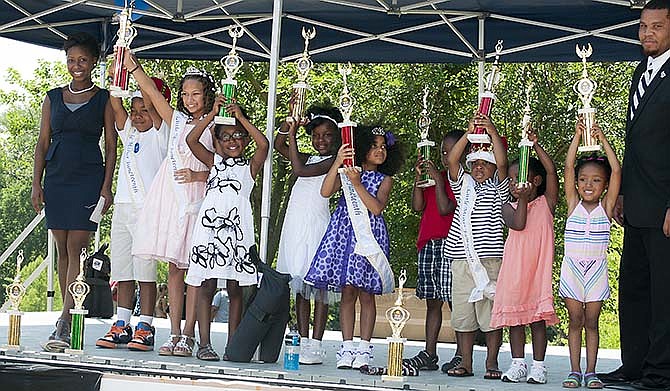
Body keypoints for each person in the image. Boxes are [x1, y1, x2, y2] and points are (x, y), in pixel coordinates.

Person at [123, 51, 214, 358]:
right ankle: (173, 331)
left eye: (196, 94)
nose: (190, 99)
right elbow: (149, 91)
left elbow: (228, 164)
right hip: (172, 198)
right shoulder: (176, 121)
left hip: (199, 198)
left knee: (195, 269)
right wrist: (133, 65)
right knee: (174, 268)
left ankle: (190, 335)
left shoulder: (216, 124)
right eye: (185, 94)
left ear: (207, 95)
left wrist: (197, 173)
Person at [31, 32, 116, 352]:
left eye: (82, 60)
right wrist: (36, 182)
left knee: (78, 248)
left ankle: (65, 320)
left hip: (88, 177)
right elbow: (42, 143)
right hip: (56, 177)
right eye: (71, 60)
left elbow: (111, 145)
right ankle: (66, 315)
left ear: (94, 61)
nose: (76, 65)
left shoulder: (104, 98)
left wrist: (106, 188)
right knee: (62, 248)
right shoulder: (52, 97)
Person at [604, 1, 670, 389]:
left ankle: (661, 373)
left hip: (664, 207)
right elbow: (636, 143)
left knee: (665, 295)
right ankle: (634, 366)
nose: (647, 33)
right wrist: (623, 192)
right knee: (634, 289)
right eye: (643, 26)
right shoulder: (639, 73)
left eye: (657, 26)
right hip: (637, 203)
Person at [304, 125, 404, 370]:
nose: (379, 151)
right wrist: (338, 161)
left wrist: (357, 184)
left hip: (368, 236)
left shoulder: (384, 179)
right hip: (344, 233)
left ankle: (364, 348)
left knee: (366, 293)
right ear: (361, 148)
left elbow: (376, 208)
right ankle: (346, 346)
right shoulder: (348, 172)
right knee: (348, 292)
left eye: (383, 147)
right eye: (373, 146)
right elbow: (325, 191)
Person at [184, 99, 269, 361]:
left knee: (235, 289)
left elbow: (264, 144)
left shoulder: (250, 167)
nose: (233, 141)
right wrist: (212, 115)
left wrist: (240, 117)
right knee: (207, 285)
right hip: (210, 233)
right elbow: (191, 140)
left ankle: (233, 345)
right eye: (226, 137)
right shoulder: (214, 162)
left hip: (238, 233)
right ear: (217, 141)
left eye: (238, 137)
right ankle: (204, 344)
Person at [95, 75, 171, 351]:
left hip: (146, 213)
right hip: (123, 211)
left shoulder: (163, 135)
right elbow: (116, 106)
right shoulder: (131, 133)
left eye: (145, 110)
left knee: (145, 273)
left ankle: (146, 325)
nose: (138, 116)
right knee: (123, 271)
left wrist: (147, 93)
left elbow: (156, 106)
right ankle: (122, 322)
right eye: (135, 110)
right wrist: (118, 72)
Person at [275, 104, 343, 365]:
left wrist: (293, 135)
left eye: (326, 135)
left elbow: (299, 171)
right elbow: (279, 145)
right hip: (296, 224)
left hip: (316, 224)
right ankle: (303, 339)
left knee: (319, 286)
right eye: (315, 135)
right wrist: (290, 123)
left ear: (336, 137)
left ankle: (316, 342)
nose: (320, 140)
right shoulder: (310, 157)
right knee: (300, 285)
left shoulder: (331, 162)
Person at [443, 113, 509, 380]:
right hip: (461, 260)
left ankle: (491, 363)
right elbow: (452, 160)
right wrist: (469, 135)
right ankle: (466, 362)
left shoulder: (498, 188)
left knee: (490, 314)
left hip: (490, 260)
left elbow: (504, 163)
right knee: (463, 315)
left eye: (486, 163)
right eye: (475, 163)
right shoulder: (463, 186)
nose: (479, 167)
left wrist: (490, 130)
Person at [491, 130, 560, 384]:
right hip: (514, 271)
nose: (515, 184)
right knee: (516, 321)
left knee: (537, 320)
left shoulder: (547, 203)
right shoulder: (508, 207)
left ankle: (539, 366)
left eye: (521, 178)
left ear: (537, 180)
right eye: (511, 180)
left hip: (537, 272)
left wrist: (536, 146)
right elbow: (518, 225)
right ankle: (518, 363)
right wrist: (520, 198)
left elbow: (552, 172)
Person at [560, 119, 620, 389]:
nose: (587, 185)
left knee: (592, 322)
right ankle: (574, 371)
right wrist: (578, 137)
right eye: (583, 180)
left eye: (596, 180)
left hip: (596, 270)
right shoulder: (573, 204)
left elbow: (616, 169)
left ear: (605, 185)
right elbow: (568, 167)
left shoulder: (606, 207)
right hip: (572, 269)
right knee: (576, 321)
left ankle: (591, 372)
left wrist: (602, 138)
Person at [404, 130, 463, 373]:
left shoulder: (460, 179)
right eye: (443, 152)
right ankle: (430, 352)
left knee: (455, 302)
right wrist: (419, 180)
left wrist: (439, 180)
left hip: (451, 245)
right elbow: (418, 206)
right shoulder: (433, 177)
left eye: (451, 151)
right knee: (432, 302)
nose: (446, 155)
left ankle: (462, 353)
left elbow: (444, 207)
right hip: (428, 244)